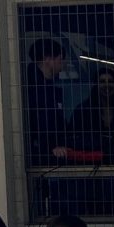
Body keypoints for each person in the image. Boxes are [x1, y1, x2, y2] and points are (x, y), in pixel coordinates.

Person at [23, 38, 72, 166]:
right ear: (47, 59)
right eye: (60, 59)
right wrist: (51, 146)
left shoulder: (48, 87)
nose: (63, 64)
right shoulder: (31, 89)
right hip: (41, 153)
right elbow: (40, 120)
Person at [71, 68, 114, 165]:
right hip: (89, 165)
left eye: (110, 81)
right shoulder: (83, 110)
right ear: (96, 85)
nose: (107, 85)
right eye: (102, 81)